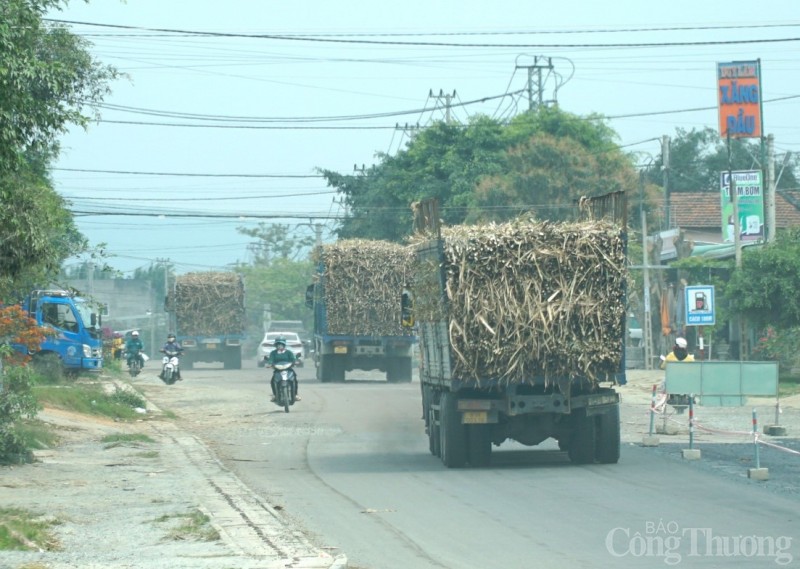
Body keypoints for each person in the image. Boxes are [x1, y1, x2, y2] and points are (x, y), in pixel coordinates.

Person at [660, 337, 695, 408]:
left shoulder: (670, 356)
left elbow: (663, 367)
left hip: (673, 381)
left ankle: (668, 398)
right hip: (686, 382)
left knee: (663, 381)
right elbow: (694, 369)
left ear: (677, 346)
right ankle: (692, 398)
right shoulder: (690, 358)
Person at [267, 336, 300, 402]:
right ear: (276, 345)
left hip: (288, 369)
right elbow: (270, 360)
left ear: (284, 345)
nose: (279, 346)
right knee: (272, 381)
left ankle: (295, 395)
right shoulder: (273, 353)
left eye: (281, 344)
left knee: (295, 379)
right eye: (278, 344)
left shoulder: (289, 352)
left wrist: (295, 362)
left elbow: (293, 359)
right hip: (277, 370)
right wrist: (269, 364)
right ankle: (275, 395)